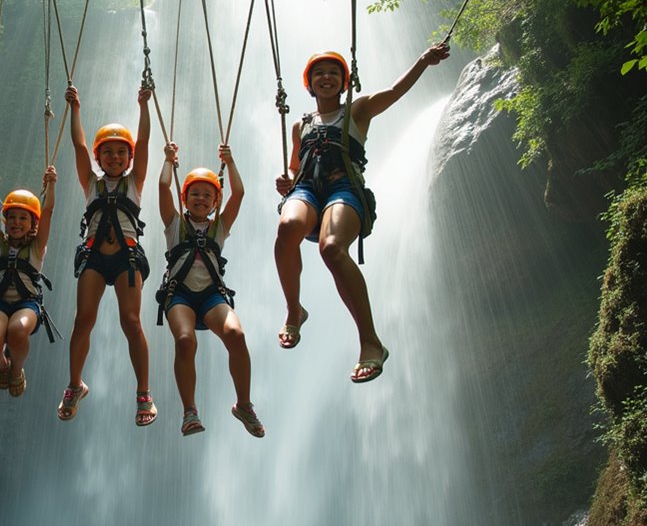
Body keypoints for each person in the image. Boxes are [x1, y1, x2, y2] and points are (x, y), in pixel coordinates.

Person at [274, 43, 450, 383]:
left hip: (344, 189)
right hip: (307, 189)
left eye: (334, 73)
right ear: (309, 84)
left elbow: (396, 91)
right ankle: (294, 310)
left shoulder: (358, 110)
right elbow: (296, 169)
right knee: (287, 228)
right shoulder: (300, 125)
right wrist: (287, 180)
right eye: (319, 74)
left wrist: (423, 62)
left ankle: (371, 342)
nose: (327, 78)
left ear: (344, 82)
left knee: (332, 249)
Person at [57, 83, 158, 426]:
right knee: (83, 319)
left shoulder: (135, 182)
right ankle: (74, 385)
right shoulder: (91, 183)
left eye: (121, 153)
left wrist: (143, 105)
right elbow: (79, 144)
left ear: (129, 158)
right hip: (94, 258)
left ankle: (144, 394)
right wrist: (75, 109)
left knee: (131, 321)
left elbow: (144, 142)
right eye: (108, 153)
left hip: (127, 258)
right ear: (99, 158)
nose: (115, 158)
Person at [156, 142, 264, 437]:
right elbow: (163, 188)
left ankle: (244, 404)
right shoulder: (174, 225)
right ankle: (189, 411)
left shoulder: (219, 227)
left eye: (208, 195)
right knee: (185, 340)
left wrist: (230, 163)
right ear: (185, 198)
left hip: (212, 297)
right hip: (180, 295)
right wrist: (168, 161)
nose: (201, 199)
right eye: (195, 194)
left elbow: (239, 193)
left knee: (236, 335)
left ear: (216, 201)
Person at [0, 158, 57, 397]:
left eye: (23, 218)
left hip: (27, 304)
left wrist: (52, 184)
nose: (16, 223)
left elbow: (49, 211)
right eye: (11, 217)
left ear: (33, 223)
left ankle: (17, 371)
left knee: (17, 331)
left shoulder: (37, 247)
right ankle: (3, 367)